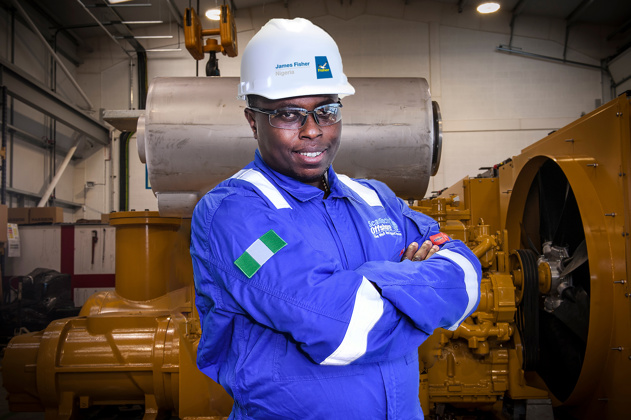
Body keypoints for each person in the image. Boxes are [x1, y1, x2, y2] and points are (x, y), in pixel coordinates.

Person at [191, 17, 482, 420]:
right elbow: (342, 328)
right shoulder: (235, 213)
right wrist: (413, 286)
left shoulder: (375, 198)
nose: (312, 131)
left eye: (326, 111)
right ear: (252, 120)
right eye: (288, 115)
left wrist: (366, 284)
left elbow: (466, 279)